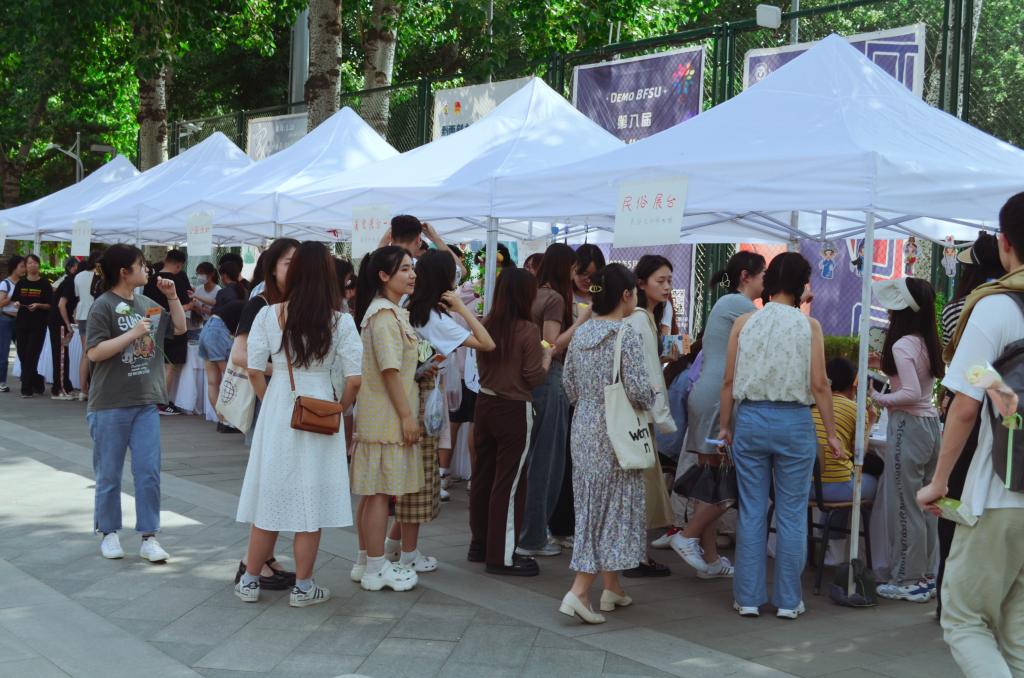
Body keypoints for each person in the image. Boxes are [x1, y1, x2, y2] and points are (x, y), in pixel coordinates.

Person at [917, 193, 1024, 678]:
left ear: (1005, 243)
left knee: (963, 620)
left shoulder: (996, 307)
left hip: (1000, 493)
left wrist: (939, 482)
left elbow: (964, 406)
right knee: (1017, 632)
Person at [234, 242, 361, 608]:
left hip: (279, 407)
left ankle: (250, 581)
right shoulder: (340, 321)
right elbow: (355, 378)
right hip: (321, 409)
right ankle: (304, 587)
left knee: (269, 496)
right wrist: (340, 407)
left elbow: (253, 369)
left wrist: (272, 402)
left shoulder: (268, 314)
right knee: (311, 502)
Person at [718, 252, 842, 619]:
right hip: (795, 424)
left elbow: (728, 381)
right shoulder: (810, 326)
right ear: (802, 285)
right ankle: (789, 600)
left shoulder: (744, 323)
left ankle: (748, 597)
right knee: (791, 513)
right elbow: (820, 385)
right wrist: (832, 434)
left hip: (751, 420)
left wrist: (725, 426)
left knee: (752, 510)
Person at [385, 250, 496, 572]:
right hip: (422, 401)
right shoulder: (435, 318)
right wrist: (462, 308)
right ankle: (408, 554)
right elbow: (487, 343)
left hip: (410, 396)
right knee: (419, 480)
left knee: (413, 476)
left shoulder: (409, 305)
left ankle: (393, 546)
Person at [559, 263, 654, 624]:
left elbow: (568, 384)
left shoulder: (582, 332)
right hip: (616, 431)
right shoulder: (625, 334)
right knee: (611, 508)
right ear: (626, 295)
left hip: (584, 424)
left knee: (591, 505)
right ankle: (580, 591)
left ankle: (612, 587)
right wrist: (653, 397)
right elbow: (639, 390)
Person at [86, 244, 186, 562]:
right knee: (109, 473)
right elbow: (94, 352)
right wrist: (132, 334)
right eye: (141, 265)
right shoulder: (102, 305)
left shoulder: (147, 304)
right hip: (109, 403)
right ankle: (109, 532)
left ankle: (149, 536)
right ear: (124, 272)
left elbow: (180, 328)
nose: (147, 270)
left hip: (145, 403)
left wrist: (172, 296)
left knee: (148, 472)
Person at [670, 251, 765, 575]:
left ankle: (709, 560)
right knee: (724, 483)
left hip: (707, 394)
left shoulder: (728, 303)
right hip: (717, 399)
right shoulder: (739, 304)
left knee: (710, 481)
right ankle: (687, 536)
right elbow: (772, 331)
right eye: (763, 276)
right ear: (746, 276)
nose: (766, 282)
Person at [934, 232, 1004, 615]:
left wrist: (938, 477)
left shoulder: (958, 309)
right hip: (1005, 415)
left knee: (952, 502)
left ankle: (947, 596)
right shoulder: (1011, 304)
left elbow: (959, 372)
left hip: (966, 407)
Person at [350, 246, 422, 592]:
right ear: (383, 276)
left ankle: (366, 561)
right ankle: (376, 568)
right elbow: (389, 370)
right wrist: (407, 416)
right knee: (378, 493)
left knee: (372, 492)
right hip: (386, 416)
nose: (412, 275)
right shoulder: (383, 316)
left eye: (412, 268)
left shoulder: (389, 312)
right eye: (404, 269)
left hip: (381, 414)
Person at [470, 268, 550, 575]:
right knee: (510, 483)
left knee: (483, 477)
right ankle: (501, 556)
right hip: (514, 409)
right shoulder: (528, 330)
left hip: (484, 403)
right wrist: (546, 358)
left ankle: (479, 544)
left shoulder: (487, 323)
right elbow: (533, 378)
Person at [868, 276, 944, 603]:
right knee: (925, 505)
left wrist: (878, 397)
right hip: (930, 425)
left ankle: (907, 579)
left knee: (904, 505)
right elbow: (918, 387)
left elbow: (909, 392)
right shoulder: (925, 341)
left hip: (908, 426)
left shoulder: (902, 345)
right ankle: (925, 576)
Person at [230, 238, 299, 590]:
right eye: (288, 262)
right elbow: (240, 355)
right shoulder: (260, 303)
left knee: (278, 484)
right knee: (268, 484)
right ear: (272, 267)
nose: (295, 268)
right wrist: (282, 373)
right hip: (269, 400)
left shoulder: (298, 303)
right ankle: (250, 563)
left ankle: (263, 559)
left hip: (286, 402)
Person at [519, 243, 590, 558]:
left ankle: (528, 533)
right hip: (549, 380)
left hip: (531, 381)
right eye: (574, 270)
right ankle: (533, 536)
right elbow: (551, 344)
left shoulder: (532, 293)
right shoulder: (555, 298)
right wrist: (581, 321)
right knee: (547, 461)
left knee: (534, 459)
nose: (576, 276)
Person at [624, 256, 684, 575]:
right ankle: (635, 556)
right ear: (641, 283)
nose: (667, 286)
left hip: (639, 413)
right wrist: (662, 417)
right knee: (640, 488)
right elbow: (646, 373)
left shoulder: (643, 317)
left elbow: (647, 366)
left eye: (670, 280)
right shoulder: (639, 318)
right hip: (639, 415)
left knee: (641, 487)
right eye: (660, 280)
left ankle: (636, 555)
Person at [812, 358, 879, 502]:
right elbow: (859, 453)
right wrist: (870, 423)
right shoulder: (856, 409)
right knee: (877, 482)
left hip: (805, 488)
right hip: (837, 487)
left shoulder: (813, 404)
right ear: (853, 384)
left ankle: (832, 517)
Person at [198, 262, 249, 430]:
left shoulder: (228, 294)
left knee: (213, 382)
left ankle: (223, 420)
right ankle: (228, 421)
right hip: (218, 332)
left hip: (208, 329)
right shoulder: (250, 303)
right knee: (230, 378)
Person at [144, 249, 193, 415]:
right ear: (179, 265)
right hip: (172, 325)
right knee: (169, 366)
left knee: (154, 364)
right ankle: (161, 402)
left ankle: (153, 399)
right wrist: (191, 304)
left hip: (153, 323)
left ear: (166, 259)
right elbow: (183, 306)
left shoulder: (151, 279)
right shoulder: (177, 280)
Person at [12, 254, 53, 398]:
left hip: (38, 325)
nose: (32, 265)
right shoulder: (21, 283)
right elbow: (15, 299)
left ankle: (26, 388)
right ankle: (37, 380)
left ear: (39, 265)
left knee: (31, 355)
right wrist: (17, 303)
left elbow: (50, 305)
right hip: (21, 324)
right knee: (23, 355)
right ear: (26, 266)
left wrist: (38, 305)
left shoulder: (45, 284)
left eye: (35, 263)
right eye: (29, 263)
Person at [49, 257, 79, 399]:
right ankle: (58, 389)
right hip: (59, 322)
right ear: (72, 268)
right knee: (60, 355)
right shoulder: (70, 282)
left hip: (61, 321)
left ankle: (66, 386)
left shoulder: (71, 282)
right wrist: (68, 324)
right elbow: (61, 305)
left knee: (63, 355)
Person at [73, 251, 101, 400]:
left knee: (86, 353)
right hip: (97, 315)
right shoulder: (102, 276)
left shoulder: (78, 276)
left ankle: (83, 390)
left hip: (82, 315)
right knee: (98, 353)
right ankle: (95, 389)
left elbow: (78, 296)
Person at [0, 255, 26, 393]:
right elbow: (1, 303)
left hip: (21, 320)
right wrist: (13, 296)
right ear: (14, 267)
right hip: (6, 319)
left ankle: (26, 380)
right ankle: (1, 382)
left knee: (24, 351)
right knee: (3, 352)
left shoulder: (24, 283)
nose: (24, 269)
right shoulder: (5, 283)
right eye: (22, 266)